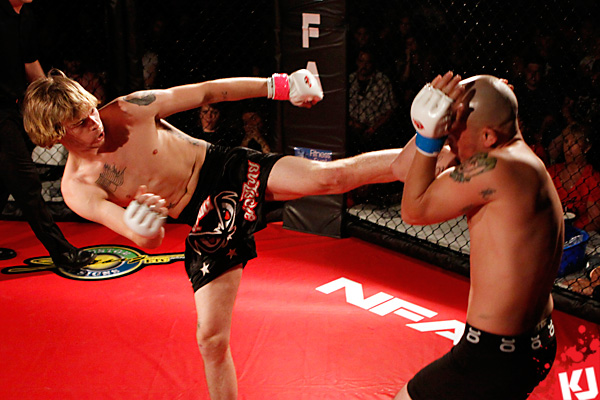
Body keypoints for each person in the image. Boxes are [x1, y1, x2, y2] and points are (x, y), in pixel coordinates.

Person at [22, 67, 420, 400]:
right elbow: (145, 240)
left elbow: (207, 91)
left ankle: (427, 154)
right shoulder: (78, 188)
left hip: (226, 168)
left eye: (90, 110)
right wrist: (144, 227)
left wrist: (278, 86)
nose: (94, 121)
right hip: (203, 219)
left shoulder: (128, 109)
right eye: (80, 122)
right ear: (55, 134)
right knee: (210, 339)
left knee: (329, 177)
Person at [392, 72, 563, 400]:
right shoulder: (521, 159)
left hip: (495, 354)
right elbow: (403, 169)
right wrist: (434, 123)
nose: (449, 140)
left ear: (487, 135)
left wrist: (429, 138)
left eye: (453, 131)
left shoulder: (493, 169)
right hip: (536, 341)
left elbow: (413, 211)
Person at [0, 0, 95, 269]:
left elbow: (31, 65)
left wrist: (52, 102)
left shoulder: (25, 16)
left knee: (5, 181)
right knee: (26, 181)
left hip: (14, 107)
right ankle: (62, 252)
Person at [547, 122, 600, 232]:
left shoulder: (593, 178)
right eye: (566, 141)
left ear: (586, 148)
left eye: (575, 142)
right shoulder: (552, 172)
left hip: (580, 233)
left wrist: (570, 232)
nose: (568, 147)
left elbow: (595, 222)